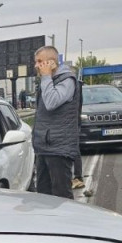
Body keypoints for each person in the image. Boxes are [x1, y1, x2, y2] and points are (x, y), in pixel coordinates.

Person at [32, 46, 81, 199]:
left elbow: (52, 102)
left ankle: (67, 223)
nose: (36, 66)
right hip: (44, 146)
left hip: (59, 148)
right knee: (43, 194)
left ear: (51, 63)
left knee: (61, 195)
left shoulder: (67, 81)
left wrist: (46, 77)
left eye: (40, 62)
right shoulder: (49, 81)